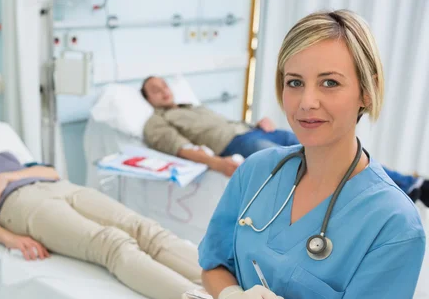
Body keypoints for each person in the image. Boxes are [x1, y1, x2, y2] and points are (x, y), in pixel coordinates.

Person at [178, 10, 425, 299]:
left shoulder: (393, 223)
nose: (307, 102)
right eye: (295, 82)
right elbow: (213, 263)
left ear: (367, 89)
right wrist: (231, 296)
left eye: (330, 82)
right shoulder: (257, 172)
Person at [0, 112, 202, 299]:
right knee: (112, 243)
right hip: (21, 204)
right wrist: (11, 239)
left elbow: (50, 171)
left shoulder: (5, 154)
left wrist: (5, 177)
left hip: (61, 187)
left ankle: (223, 286)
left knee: (144, 229)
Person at [141, 77, 429, 206]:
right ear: (148, 99)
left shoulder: (190, 107)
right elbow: (182, 148)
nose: (163, 90)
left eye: (164, 84)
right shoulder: (157, 121)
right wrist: (219, 163)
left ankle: (408, 184)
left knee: (338, 147)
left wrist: (257, 124)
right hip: (237, 145)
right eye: (155, 89)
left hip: (255, 132)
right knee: (304, 162)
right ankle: (366, 197)